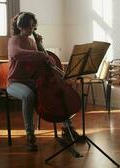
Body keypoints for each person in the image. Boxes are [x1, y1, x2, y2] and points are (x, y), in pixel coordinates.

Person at [6, 12, 80, 152]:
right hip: (15, 83)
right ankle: (30, 134)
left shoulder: (32, 41)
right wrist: (40, 54)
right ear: (21, 26)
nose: (32, 29)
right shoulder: (14, 40)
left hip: (32, 81)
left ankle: (67, 127)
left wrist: (40, 46)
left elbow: (43, 61)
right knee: (28, 96)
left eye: (34, 26)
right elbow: (18, 54)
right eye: (29, 26)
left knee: (57, 92)